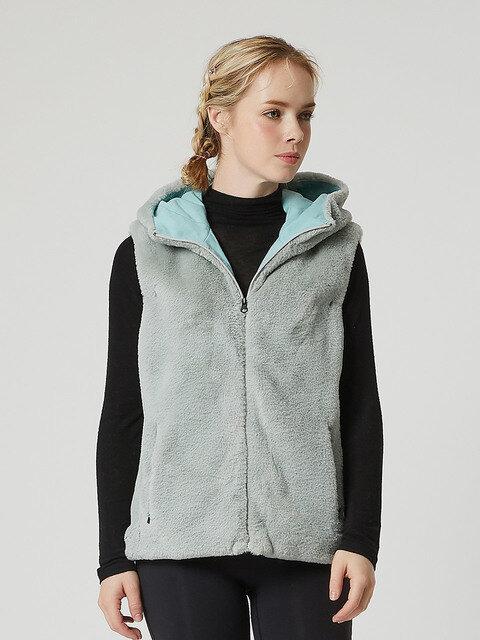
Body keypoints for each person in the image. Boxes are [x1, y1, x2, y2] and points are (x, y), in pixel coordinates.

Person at [96, 35, 383, 640]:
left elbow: (359, 401)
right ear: (219, 117)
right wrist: (113, 557)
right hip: (178, 542)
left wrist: (361, 538)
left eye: (305, 114)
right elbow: (125, 408)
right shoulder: (147, 253)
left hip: (308, 542)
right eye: (273, 113)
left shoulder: (335, 251)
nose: (295, 133)